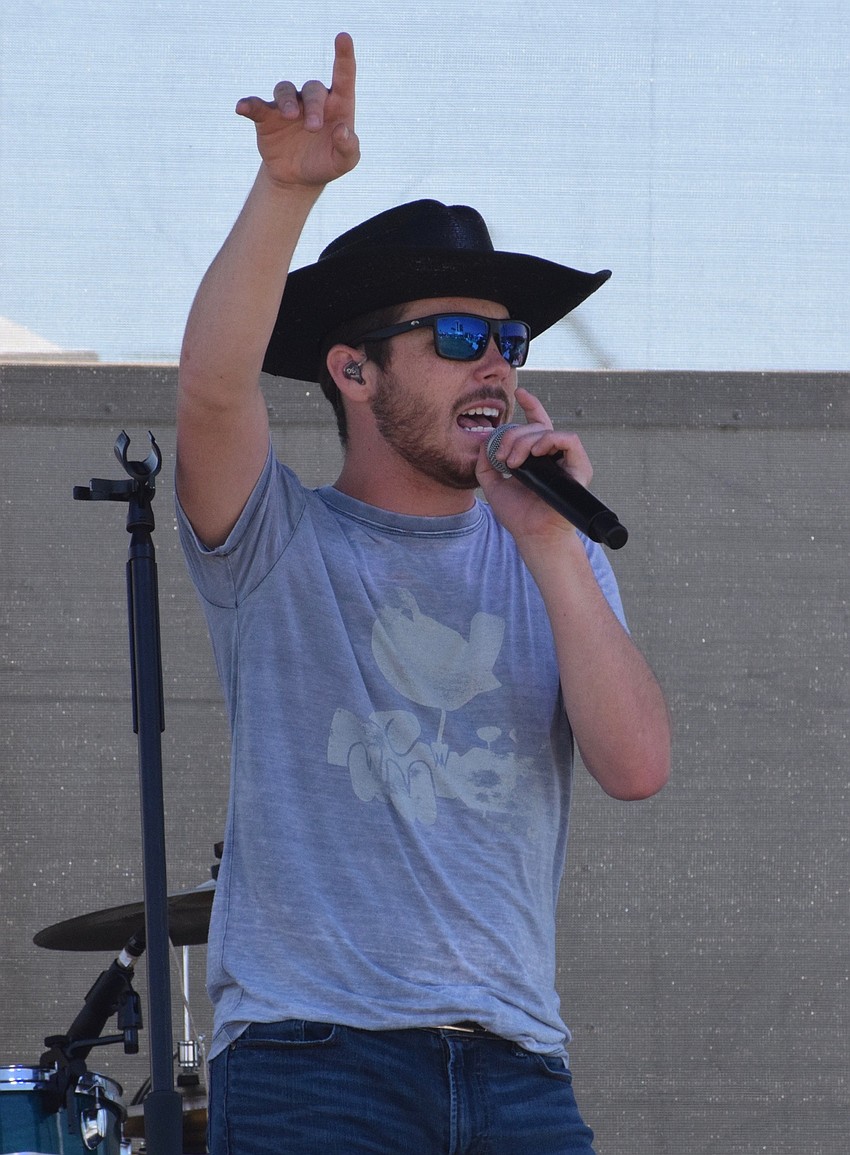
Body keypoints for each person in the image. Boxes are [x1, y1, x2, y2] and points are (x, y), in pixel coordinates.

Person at [176, 31, 670, 1155]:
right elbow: (211, 391)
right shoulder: (278, 538)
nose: (495, 363)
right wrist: (284, 188)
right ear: (353, 371)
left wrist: (549, 547)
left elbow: (637, 769)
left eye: (509, 340)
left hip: (517, 1065)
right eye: (456, 338)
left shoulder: (551, 550)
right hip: (317, 1062)